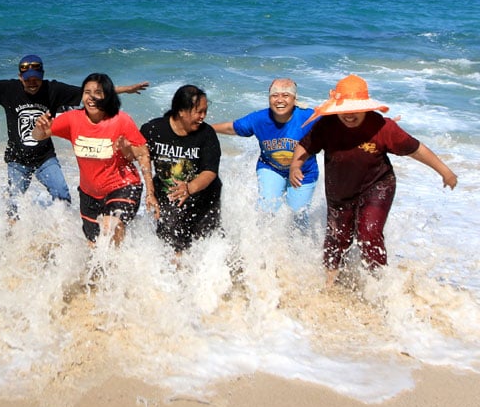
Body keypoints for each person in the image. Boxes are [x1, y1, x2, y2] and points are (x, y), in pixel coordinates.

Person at [289, 74, 458, 287]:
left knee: (368, 233)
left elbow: (416, 150)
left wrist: (445, 172)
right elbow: (306, 145)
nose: (349, 116)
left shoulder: (383, 127)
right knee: (336, 239)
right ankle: (330, 284)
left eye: (355, 111)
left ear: (365, 107)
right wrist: (296, 165)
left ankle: (378, 284)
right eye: (345, 111)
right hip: (339, 190)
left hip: (377, 185)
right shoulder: (327, 125)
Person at [0, 54, 148, 215]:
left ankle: (62, 235)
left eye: (35, 79)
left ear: (42, 75)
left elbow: (90, 94)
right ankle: (12, 237)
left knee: (62, 194)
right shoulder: (8, 89)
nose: (32, 83)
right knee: (14, 203)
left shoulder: (53, 89)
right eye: (27, 79)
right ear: (20, 77)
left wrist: (126, 89)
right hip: (17, 159)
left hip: (45, 158)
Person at [31, 73, 159, 246]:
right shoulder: (72, 119)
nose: (91, 97)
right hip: (89, 193)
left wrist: (150, 193)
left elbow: (143, 154)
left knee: (110, 227)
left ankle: (116, 267)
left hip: (123, 186)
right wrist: (39, 128)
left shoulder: (121, 120)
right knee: (93, 244)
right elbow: (39, 136)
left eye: (97, 92)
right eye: (87, 92)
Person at [213, 78, 318, 221]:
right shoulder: (259, 119)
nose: (279, 100)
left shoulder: (310, 117)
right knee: (266, 209)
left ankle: (297, 243)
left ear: (295, 99)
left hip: (304, 171)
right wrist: (205, 129)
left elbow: (335, 128)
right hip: (271, 168)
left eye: (286, 95)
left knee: (298, 214)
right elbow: (232, 128)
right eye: (275, 96)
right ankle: (262, 241)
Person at [140, 85, 223, 253]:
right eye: (198, 112)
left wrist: (189, 188)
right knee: (169, 244)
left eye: (205, 112)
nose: (203, 117)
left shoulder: (207, 134)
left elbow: (210, 171)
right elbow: (142, 157)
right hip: (168, 194)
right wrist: (150, 192)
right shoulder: (153, 129)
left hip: (205, 197)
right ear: (181, 111)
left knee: (204, 243)